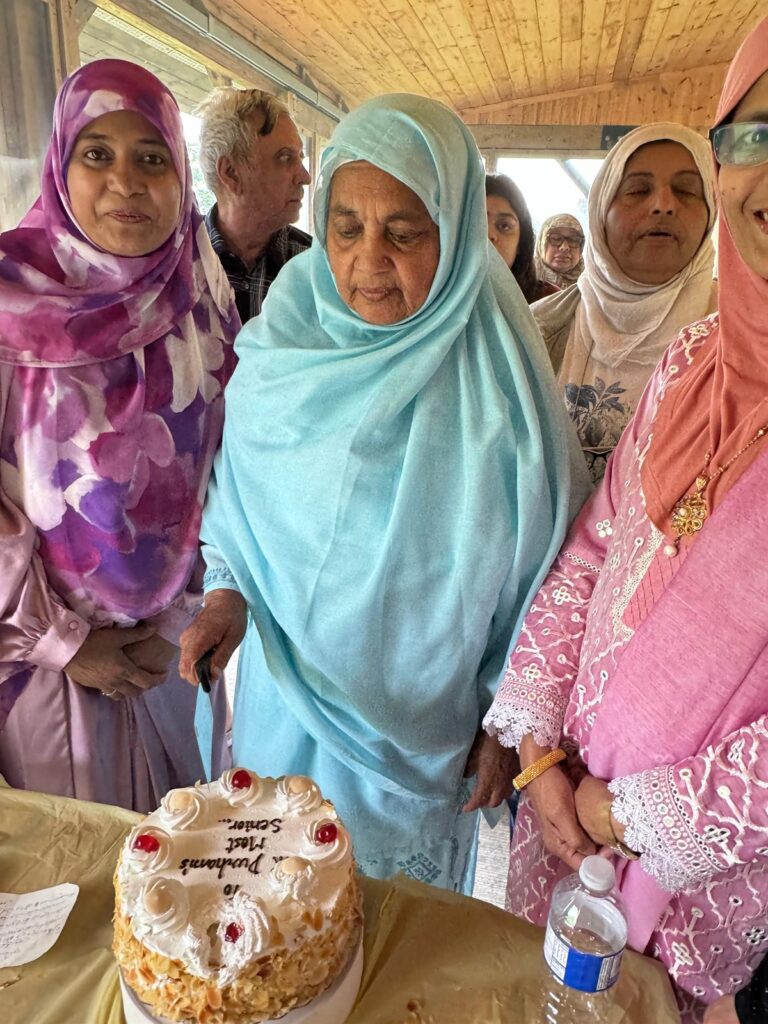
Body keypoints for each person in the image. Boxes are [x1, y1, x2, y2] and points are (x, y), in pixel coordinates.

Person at [179, 93, 591, 894]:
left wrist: (506, 720)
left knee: (395, 937)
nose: (369, 258)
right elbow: (239, 496)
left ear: (455, 229)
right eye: (346, 227)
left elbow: (548, 572)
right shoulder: (288, 338)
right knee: (275, 914)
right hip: (285, 706)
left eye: (404, 232)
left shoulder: (499, 373)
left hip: (423, 735)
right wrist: (227, 595)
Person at [484, 16, 768, 1022]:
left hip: (698, 873)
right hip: (566, 813)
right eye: (758, 134)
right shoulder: (692, 362)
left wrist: (632, 814)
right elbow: (592, 548)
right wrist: (540, 750)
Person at [0, 59, 239, 812]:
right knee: (75, 864)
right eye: (97, 153)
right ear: (59, 163)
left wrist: (185, 615)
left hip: (172, 657)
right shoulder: (10, 300)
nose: (126, 183)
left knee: (179, 854)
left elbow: (235, 472)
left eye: (152, 158)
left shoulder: (203, 304)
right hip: (41, 670)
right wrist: (60, 640)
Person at [533, 124, 717, 483]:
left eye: (687, 191)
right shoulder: (536, 328)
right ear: (601, 211)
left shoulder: (746, 334)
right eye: (637, 190)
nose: (664, 205)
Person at [197, 88, 312, 323]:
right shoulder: (176, 262)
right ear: (231, 173)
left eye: (300, 157)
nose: (305, 177)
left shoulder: (314, 267)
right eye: (285, 158)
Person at [485, 174, 558, 303]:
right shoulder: (446, 298)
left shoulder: (549, 301)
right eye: (478, 223)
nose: (489, 235)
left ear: (520, 243)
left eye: (504, 226)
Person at [534, 213, 585, 291]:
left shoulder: (593, 282)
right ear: (542, 243)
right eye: (556, 239)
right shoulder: (524, 277)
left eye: (573, 240)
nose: (564, 247)